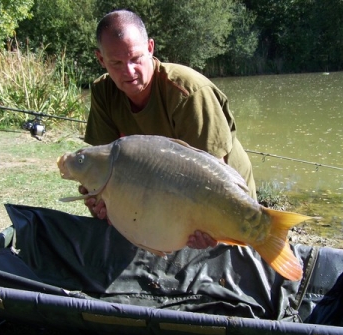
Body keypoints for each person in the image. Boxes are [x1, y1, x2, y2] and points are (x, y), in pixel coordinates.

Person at [81, 9, 256, 249]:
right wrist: (99, 200)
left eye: (135, 59)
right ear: (101, 60)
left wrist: (209, 227)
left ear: (150, 48)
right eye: (116, 63)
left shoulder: (189, 92)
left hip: (225, 193)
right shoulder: (103, 92)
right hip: (163, 190)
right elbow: (102, 166)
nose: (128, 72)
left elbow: (213, 178)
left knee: (233, 251)